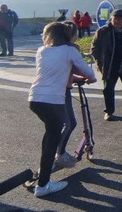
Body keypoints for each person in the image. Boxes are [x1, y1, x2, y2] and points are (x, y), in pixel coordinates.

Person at [29, 22, 95, 197]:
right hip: (53, 101)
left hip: (35, 98)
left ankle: (45, 170)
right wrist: (90, 78)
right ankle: (43, 185)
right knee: (52, 139)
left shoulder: (41, 51)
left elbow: (55, 71)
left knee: (50, 135)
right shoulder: (70, 51)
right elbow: (89, 72)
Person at [55, 22, 97, 170]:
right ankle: (59, 154)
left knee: (57, 125)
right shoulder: (73, 48)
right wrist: (89, 78)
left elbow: (66, 70)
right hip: (61, 91)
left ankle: (56, 152)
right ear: (73, 35)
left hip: (48, 90)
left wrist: (75, 78)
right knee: (70, 123)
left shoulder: (51, 48)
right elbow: (80, 69)